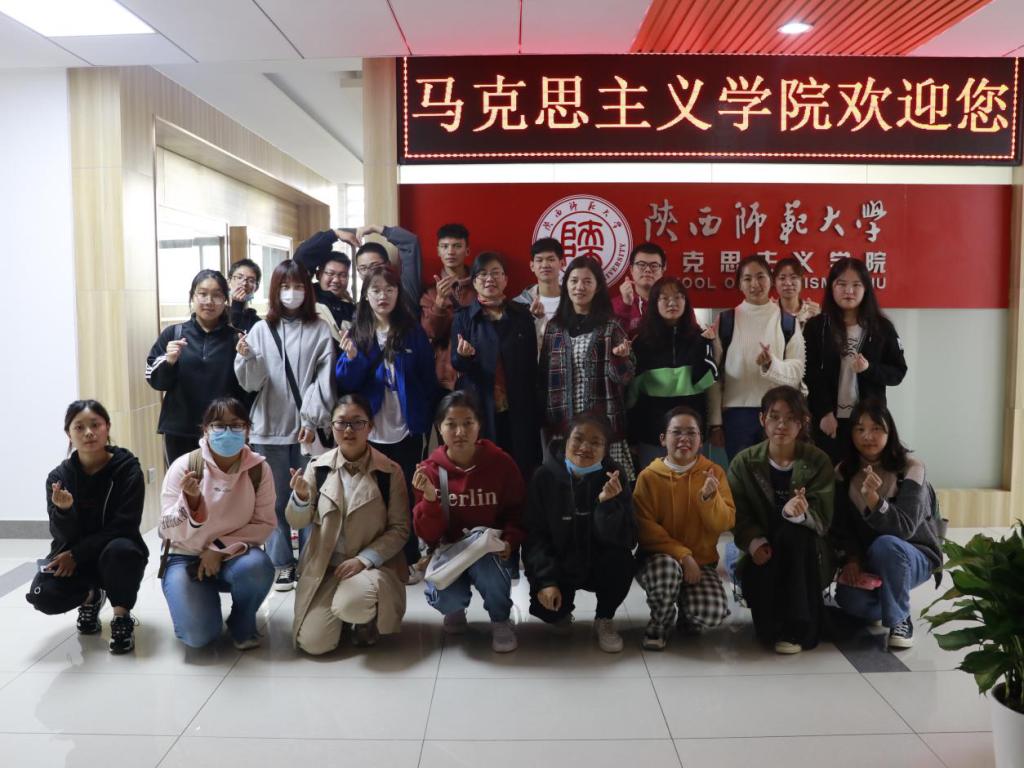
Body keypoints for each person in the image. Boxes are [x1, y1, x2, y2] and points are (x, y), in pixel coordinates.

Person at [235, 259, 336, 591]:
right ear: (275, 291)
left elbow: (324, 380)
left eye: (298, 286)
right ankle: (282, 564)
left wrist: (312, 419)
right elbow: (251, 383)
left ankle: (309, 562)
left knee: (309, 498)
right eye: (285, 286)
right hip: (267, 428)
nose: (291, 293)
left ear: (307, 290)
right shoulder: (261, 330)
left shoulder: (320, 329)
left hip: (307, 431)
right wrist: (248, 357)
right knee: (273, 501)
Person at [286, 395, 410, 653]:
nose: (349, 430)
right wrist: (301, 498)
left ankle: (364, 618)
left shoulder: (389, 472)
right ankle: (340, 620)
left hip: (373, 568)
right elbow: (297, 521)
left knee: (352, 604)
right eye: (341, 423)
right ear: (331, 426)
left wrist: (364, 559)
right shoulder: (317, 468)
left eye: (357, 422)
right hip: (328, 568)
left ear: (370, 427)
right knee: (313, 643)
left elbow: (400, 529)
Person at [336, 265, 438, 575]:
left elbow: (427, 378)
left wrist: (424, 417)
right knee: (372, 496)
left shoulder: (412, 331)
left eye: (389, 290)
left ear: (398, 294)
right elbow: (345, 383)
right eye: (376, 290)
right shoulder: (357, 333)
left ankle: (407, 556)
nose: (383, 296)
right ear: (366, 295)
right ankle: (373, 556)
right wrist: (352, 358)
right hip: (370, 431)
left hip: (406, 428)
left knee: (405, 492)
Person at [26, 400, 148, 654]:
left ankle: (121, 616)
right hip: (74, 556)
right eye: (79, 427)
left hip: (115, 552)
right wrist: (64, 511)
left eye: (95, 425)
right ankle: (92, 597)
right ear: (69, 434)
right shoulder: (58, 478)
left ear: (107, 427)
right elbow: (60, 535)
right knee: (42, 595)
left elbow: (124, 526)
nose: (89, 433)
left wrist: (76, 554)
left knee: (122, 551)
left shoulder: (127, 469)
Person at [411, 391, 526, 653]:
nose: (460, 432)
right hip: (450, 554)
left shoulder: (501, 463)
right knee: (445, 596)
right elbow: (428, 535)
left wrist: (510, 540)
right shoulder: (429, 471)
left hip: (491, 553)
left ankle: (500, 619)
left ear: (479, 425)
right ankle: (454, 609)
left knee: (487, 566)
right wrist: (430, 499)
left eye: (468, 423)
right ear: (439, 427)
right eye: (451, 424)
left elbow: (518, 511)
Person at [159, 398, 276, 649]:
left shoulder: (259, 470)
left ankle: (242, 622)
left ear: (247, 430)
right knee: (199, 636)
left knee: (257, 567)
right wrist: (190, 503)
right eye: (219, 425)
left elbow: (264, 523)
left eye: (236, 425)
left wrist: (218, 549)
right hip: (185, 557)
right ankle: (200, 599)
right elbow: (166, 529)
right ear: (205, 430)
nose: (227, 432)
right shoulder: (186, 467)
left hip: (235, 556)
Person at [727, 386, 834, 654]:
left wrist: (800, 515)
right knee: (766, 634)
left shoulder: (818, 461)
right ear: (762, 419)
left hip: (806, 555)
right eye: (774, 417)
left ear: (803, 422)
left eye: (791, 418)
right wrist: (754, 542)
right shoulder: (744, 463)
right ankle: (781, 623)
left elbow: (823, 518)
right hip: (763, 553)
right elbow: (736, 514)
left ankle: (797, 628)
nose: (781, 425)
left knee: (794, 533)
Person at [831, 399, 942, 650]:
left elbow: (905, 528)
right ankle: (891, 599)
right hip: (870, 560)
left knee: (887, 545)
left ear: (889, 431)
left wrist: (874, 501)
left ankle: (900, 619)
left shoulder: (911, 468)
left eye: (876, 429)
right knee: (850, 600)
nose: (867, 436)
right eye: (860, 429)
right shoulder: (843, 472)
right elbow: (842, 527)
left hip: (914, 554)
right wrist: (852, 559)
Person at [524, 414, 636, 653]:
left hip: (598, 563)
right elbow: (535, 536)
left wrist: (607, 505)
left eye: (595, 442)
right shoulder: (544, 476)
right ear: (566, 441)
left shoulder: (615, 476)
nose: (585, 447)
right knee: (550, 612)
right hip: (561, 563)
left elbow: (627, 538)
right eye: (578, 439)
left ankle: (604, 618)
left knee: (622, 560)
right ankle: (562, 611)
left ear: (605, 450)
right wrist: (546, 581)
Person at [634, 406, 735, 650]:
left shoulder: (714, 473)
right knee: (667, 571)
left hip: (701, 563)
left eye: (691, 433)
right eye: (676, 432)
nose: (684, 439)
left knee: (712, 611)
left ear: (701, 440)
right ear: (663, 439)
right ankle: (660, 622)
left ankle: (687, 614)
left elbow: (725, 522)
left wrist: (708, 499)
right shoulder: (649, 477)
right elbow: (645, 529)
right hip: (660, 561)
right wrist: (683, 555)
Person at [540, 256, 636, 481]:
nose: (579, 287)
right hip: (564, 427)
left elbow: (625, 378)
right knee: (566, 489)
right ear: (566, 285)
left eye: (587, 281)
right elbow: (544, 377)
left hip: (603, 427)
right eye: (573, 281)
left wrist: (621, 359)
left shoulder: (611, 326)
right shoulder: (554, 328)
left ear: (598, 287)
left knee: (606, 487)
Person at [804, 257, 908, 463]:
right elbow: (809, 375)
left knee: (866, 476)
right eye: (841, 284)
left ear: (866, 289)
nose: (848, 291)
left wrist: (869, 369)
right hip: (829, 421)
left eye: (856, 285)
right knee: (830, 474)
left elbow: (898, 373)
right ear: (831, 287)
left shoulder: (882, 327)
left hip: (868, 423)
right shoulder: (816, 326)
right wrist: (824, 412)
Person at [451, 251, 541, 480]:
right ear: (474, 282)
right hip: (481, 406)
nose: (489, 279)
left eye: (495, 273)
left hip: (519, 407)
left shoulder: (521, 316)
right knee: (484, 469)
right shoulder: (464, 318)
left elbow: (532, 366)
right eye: (482, 274)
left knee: (520, 467)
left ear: (505, 279)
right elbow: (456, 363)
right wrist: (464, 356)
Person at [708, 254, 806, 461]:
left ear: (770, 280)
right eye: (747, 278)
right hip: (736, 416)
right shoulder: (726, 320)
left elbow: (797, 371)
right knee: (741, 475)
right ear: (739, 285)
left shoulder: (788, 322)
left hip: (779, 414)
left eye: (761, 276)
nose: (755, 284)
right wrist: (715, 423)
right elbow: (713, 376)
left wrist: (771, 365)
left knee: (777, 473)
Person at [147, 269, 249, 466]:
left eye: (216, 295)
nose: (209, 301)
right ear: (192, 297)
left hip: (224, 430)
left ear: (225, 300)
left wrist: (247, 358)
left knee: (224, 483)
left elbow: (247, 388)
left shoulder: (236, 338)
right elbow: (155, 381)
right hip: (180, 430)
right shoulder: (173, 334)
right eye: (202, 294)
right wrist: (169, 361)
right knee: (183, 482)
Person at [627, 276, 718, 471]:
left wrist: (711, 345)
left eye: (678, 297)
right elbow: (632, 395)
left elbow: (708, 385)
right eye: (664, 298)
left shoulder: (700, 338)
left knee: (692, 485)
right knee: (653, 485)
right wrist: (631, 435)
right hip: (651, 433)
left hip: (691, 433)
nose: (672, 303)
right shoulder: (641, 343)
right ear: (654, 303)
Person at [420, 223, 475, 391]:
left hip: (475, 373)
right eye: (445, 246)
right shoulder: (429, 293)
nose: (450, 252)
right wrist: (440, 302)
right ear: (438, 251)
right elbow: (429, 333)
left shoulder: (479, 288)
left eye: (457, 246)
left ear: (467, 251)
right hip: (442, 376)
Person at [293, 227, 359, 334]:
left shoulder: (351, 308)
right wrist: (335, 234)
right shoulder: (307, 296)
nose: (336, 280)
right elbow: (302, 257)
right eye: (330, 273)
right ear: (318, 274)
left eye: (343, 275)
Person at [513, 237, 564, 351]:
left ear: (562, 263)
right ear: (532, 266)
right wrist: (532, 320)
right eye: (539, 260)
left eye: (551, 259)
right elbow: (515, 345)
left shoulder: (575, 301)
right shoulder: (518, 304)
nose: (545, 265)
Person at [611, 242, 667, 337]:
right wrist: (626, 305)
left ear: (663, 269)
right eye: (641, 265)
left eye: (654, 265)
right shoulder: (615, 304)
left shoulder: (673, 302)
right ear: (631, 269)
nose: (647, 270)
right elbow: (611, 339)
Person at [773, 257, 820, 329]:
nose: (788, 283)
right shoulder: (769, 311)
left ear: (801, 281)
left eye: (793, 277)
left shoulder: (812, 312)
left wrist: (820, 319)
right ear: (774, 282)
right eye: (782, 278)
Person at [228, 258, 263, 332]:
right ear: (229, 282)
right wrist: (236, 304)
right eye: (239, 277)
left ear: (256, 288)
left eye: (251, 280)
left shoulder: (257, 323)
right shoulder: (217, 313)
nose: (244, 283)